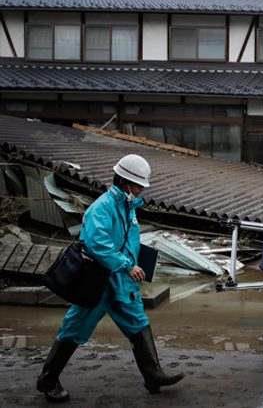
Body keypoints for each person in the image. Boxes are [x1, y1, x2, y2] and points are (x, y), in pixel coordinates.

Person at [36, 154, 184, 403]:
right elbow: (97, 244)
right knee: (75, 327)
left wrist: (133, 265)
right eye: (138, 186)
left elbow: (128, 241)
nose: (140, 191)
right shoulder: (102, 208)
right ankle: (47, 379)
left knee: (138, 322)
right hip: (98, 280)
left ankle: (153, 375)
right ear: (124, 181)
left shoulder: (128, 207)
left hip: (122, 281)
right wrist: (127, 265)